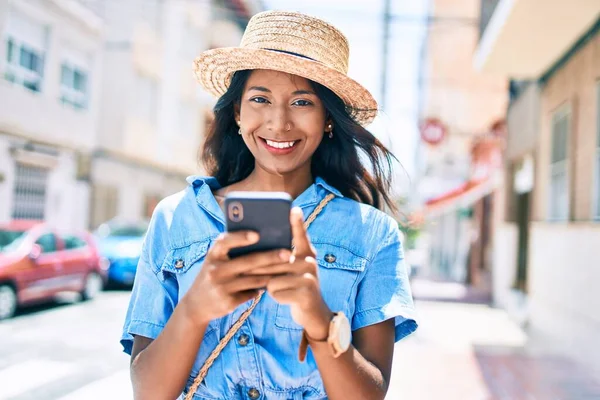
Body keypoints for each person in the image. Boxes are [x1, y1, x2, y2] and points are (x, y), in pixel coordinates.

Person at [121, 10, 417, 400]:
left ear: (328, 119)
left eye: (302, 102)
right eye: (260, 98)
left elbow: (370, 395)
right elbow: (148, 393)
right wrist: (194, 309)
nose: (279, 123)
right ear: (238, 113)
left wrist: (318, 319)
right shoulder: (176, 218)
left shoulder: (373, 234)